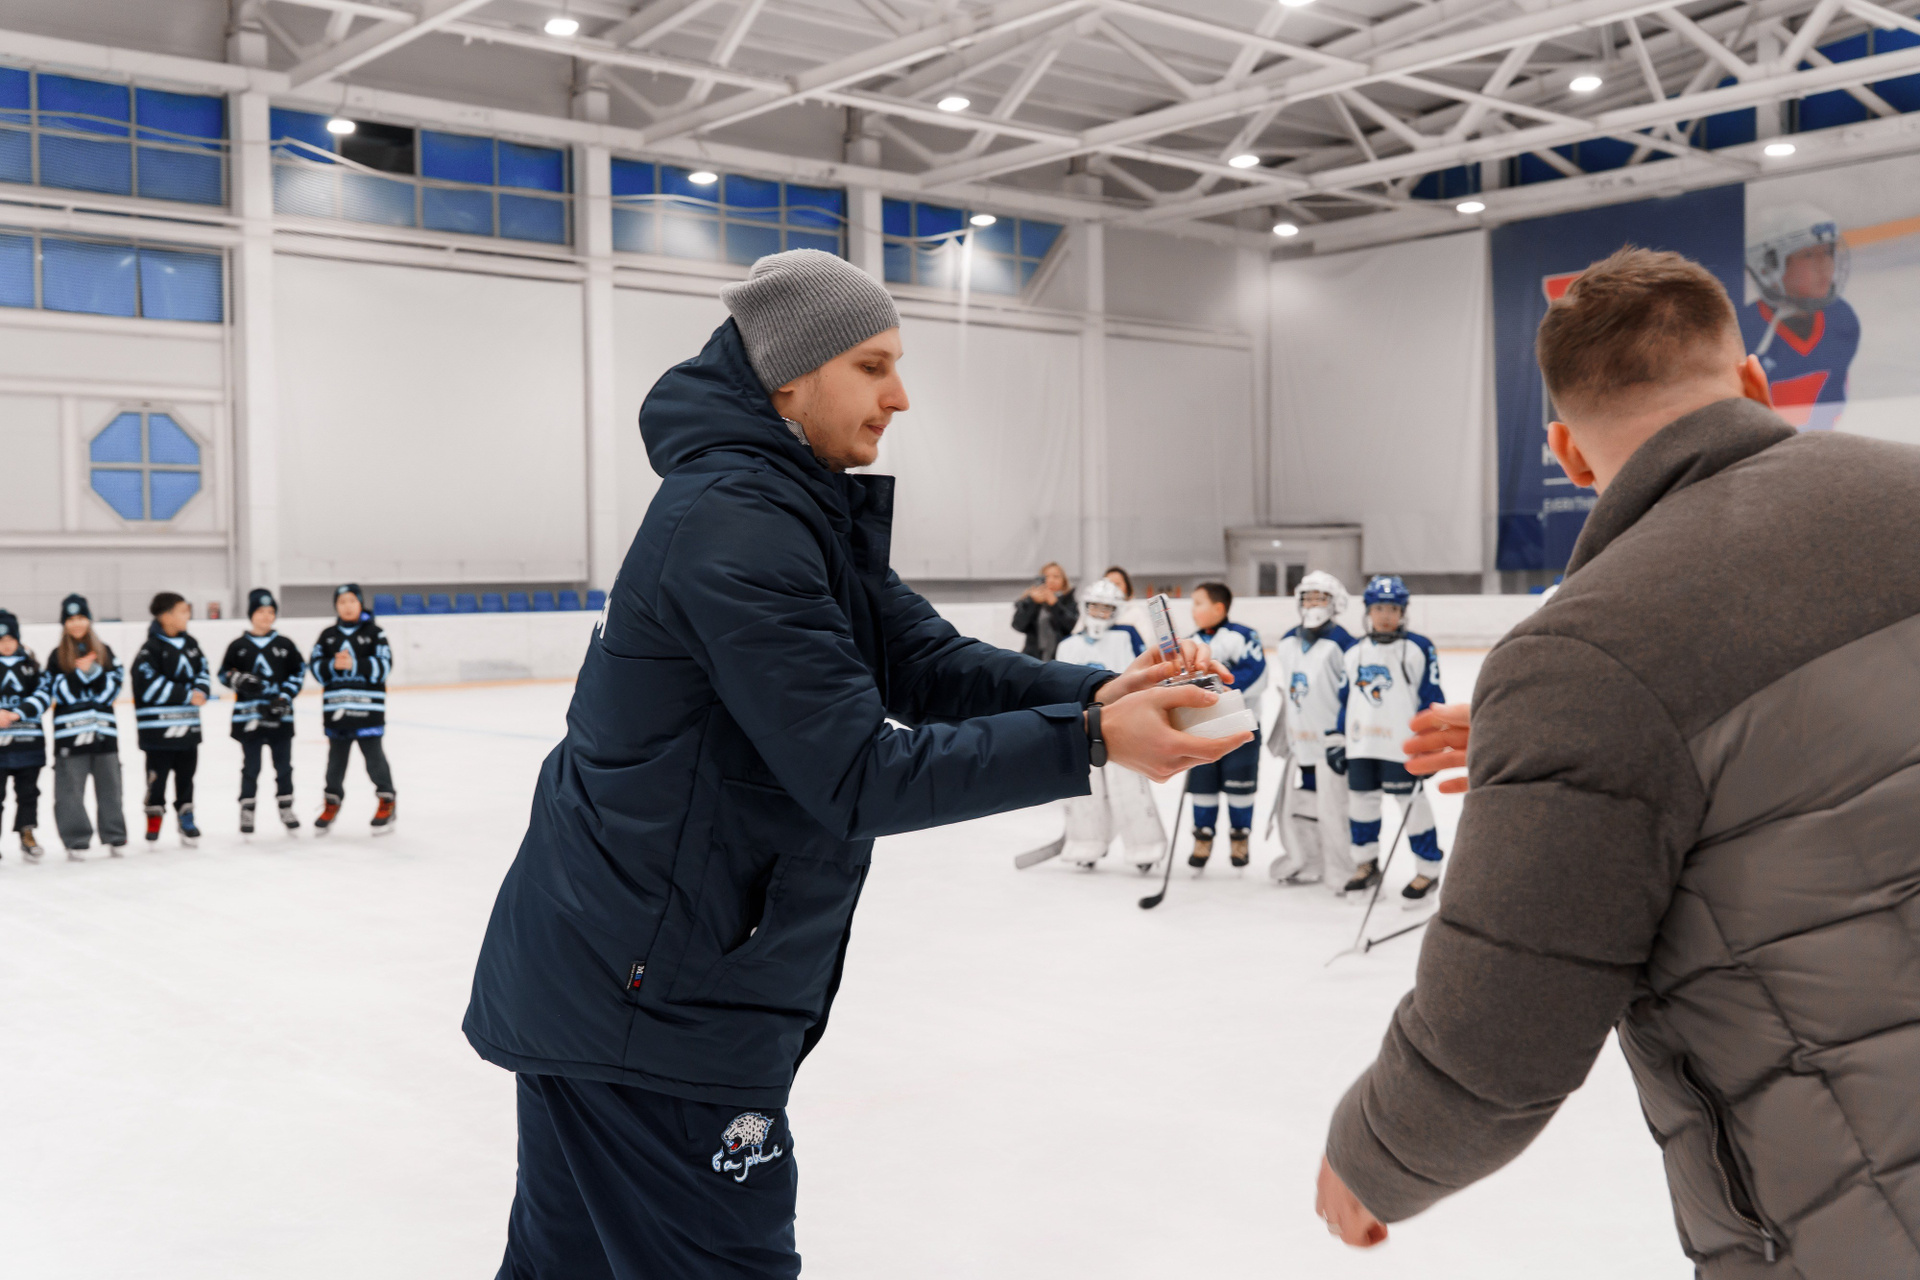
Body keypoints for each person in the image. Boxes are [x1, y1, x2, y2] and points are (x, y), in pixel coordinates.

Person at [461, 248, 1245, 1280]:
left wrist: (1095, 694)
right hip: (650, 1000)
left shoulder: (787, 504)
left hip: (614, 975)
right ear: (790, 377)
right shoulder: (737, 524)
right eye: (873, 366)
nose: (900, 396)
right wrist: (1090, 743)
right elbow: (857, 774)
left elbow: (921, 660)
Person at [1315, 247, 1920, 1277]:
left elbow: (1502, 1039)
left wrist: (1374, 1153)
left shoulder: (1585, 654)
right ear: (1756, 382)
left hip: (1860, 1214)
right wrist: (1574, 747)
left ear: (1567, 452)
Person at [1337, 575, 1444, 903]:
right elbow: (1344, 700)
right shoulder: (1353, 651)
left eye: (1393, 609)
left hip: (1402, 746)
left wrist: (1430, 745)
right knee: (1361, 805)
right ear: (1368, 610)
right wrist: (1337, 740)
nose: (1386, 615)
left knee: (1413, 807)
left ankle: (1428, 870)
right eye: (1379, 608)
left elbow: (1432, 699)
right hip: (1361, 746)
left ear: (1403, 612)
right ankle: (1366, 865)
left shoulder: (1419, 647)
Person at [1051, 576, 1165, 872]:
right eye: (1095, 607)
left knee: (1129, 787)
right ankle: (1085, 844)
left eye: (1107, 608)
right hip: (1079, 724)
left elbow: (1144, 676)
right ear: (1085, 607)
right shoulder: (1068, 645)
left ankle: (1145, 848)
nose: (1100, 613)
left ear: (1116, 611)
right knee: (1083, 789)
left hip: (1122, 723)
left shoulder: (1126, 637)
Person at [1265, 571, 1356, 889]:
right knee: (1303, 806)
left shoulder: (1345, 643)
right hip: (1300, 741)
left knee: (1335, 809)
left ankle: (1344, 869)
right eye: (1308, 597)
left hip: (1332, 743)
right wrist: (1284, 730)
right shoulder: (1287, 641)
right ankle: (1309, 860)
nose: (1313, 604)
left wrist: (1343, 735)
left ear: (1336, 602)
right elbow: (1292, 692)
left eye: (1320, 597)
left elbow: (1351, 694)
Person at [1738, 203, 1858, 432]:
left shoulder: (1843, 320)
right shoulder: (1741, 333)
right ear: (1767, 266)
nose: (1825, 265)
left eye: (1827, 252)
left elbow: (1831, 398)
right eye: (1809, 255)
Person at [1185, 581, 1267, 869]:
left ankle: (1239, 836)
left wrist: (1215, 690)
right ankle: (1203, 836)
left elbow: (1257, 674)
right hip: (1202, 727)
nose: (1192, 609)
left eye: (1198, 603)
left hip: (1241, 726)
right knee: (1203, 785)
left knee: (1239, 785)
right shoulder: (1190, 642)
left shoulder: (1244, 636)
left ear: (1219, 608)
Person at [308, 584, 396, 836]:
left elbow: (385, 666)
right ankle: (331, 802)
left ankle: (387, 801)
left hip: (368, 711)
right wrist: (332, 665)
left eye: (352, 601)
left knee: (374, 760)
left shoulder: (376, 633)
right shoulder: (327, 635)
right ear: (336, 606)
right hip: (337, 712)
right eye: (342, 602)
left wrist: (355, 664)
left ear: (360, 603)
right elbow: (315, 667)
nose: (347, 606)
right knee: (335, 764)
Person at [218, 588, 306, 836]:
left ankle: (286, 806)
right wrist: (238, 679)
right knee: (251, 767)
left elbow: (299, 671)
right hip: (249, 719)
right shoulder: (238, 646)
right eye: (260, 611)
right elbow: (223, 673)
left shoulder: (285, 645)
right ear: (251, 614)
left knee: (284, 766)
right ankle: (247, 808)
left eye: (270, 611)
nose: (266, 616)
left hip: (280, 718)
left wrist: (284, 697)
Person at [45, 595, 126, 859]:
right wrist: (81, 673)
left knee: (111, 788)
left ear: (89, 620)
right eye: (71, 619)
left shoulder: (106, 651)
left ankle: (114, 835)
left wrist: (94, 671)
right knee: (69, 792)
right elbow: (60, 693)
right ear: (64, 624)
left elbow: (110, 693)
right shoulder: (57, 656)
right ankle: (76, 840)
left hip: (105, 735)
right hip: (70, 737)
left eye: (81, 617)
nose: (77, 623)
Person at [133, 592, 211, 848]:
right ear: (166, 616)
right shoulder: (150, 649)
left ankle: (186, 815)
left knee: (187, 777)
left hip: (188, 728)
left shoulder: (191, 644)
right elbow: (148, 685)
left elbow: (203, 670)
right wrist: (187, 695)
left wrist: (201, 690)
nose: (188, 616)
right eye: (183, 611)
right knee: (157, 778)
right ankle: (154, 815)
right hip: (158, 733)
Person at [0, 610, 51, 860]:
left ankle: (27, 833)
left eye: (10, 639)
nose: (6, 644)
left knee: (28, 794)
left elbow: (44, 693)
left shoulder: (31, 664)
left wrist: (17, 713)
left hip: (29, 743)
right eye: (0, 640)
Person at [1011, 561, 1078, 660]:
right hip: (1033, 657)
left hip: (1061, 656)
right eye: (1046, 577)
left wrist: (1055, 605)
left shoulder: (1069, 601)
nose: (1051, 580)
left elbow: (1071, 627)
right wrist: (1032, 603)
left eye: (1056, 577)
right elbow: (1018, 625)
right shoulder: (1031, 600)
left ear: (1063, 580)